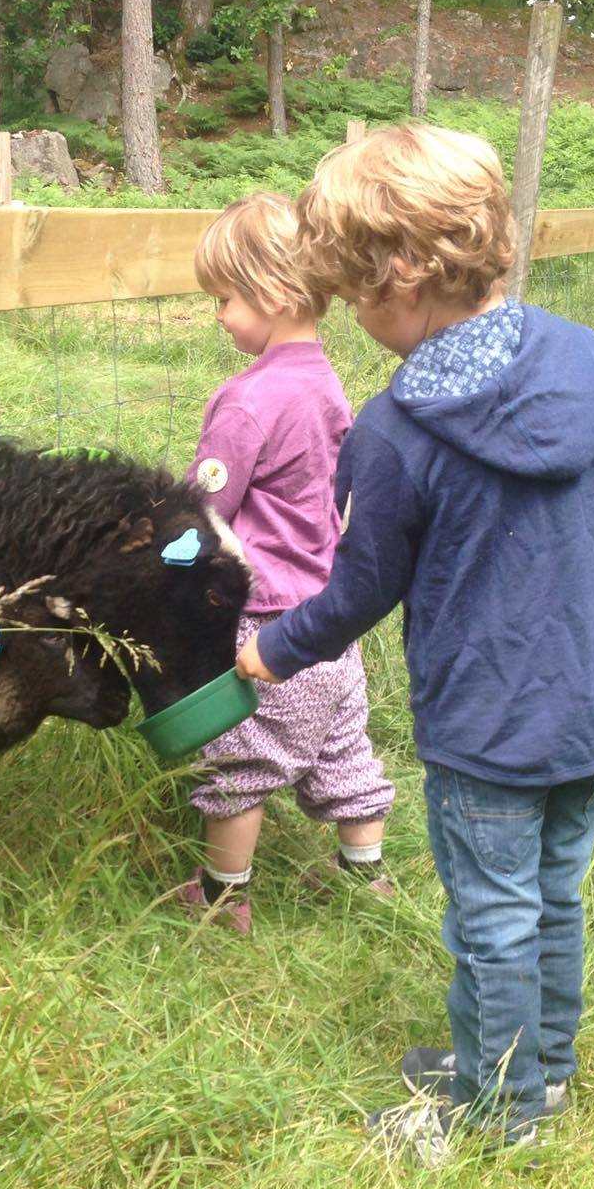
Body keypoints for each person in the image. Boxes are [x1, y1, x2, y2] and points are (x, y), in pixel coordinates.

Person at [237, 125, 594, 1160]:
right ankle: (542, 1068)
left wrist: (271, 651)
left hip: (488, 720)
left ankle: (501, 1115)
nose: (359, 320)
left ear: (402, 276)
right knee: (550, 896)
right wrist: (569, 528)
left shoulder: (394, 431)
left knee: (490, 918)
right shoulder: (578, 354)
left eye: (357, 296)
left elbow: (360, 592)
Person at [181, 192, 395, 936]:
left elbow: (203, 515)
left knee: (240, 766)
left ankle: (220, 898)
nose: (218, 314)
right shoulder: (325, 382)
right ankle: (365, 878)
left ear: (270, 291)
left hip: (264, 621)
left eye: (224, 296)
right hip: (331, 616)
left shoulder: (246, 401)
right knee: (342, 750)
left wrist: (162, 550)